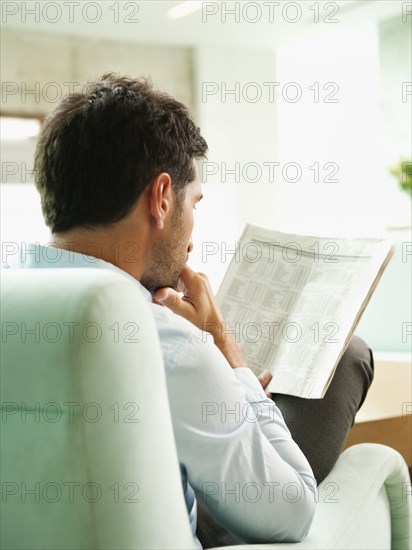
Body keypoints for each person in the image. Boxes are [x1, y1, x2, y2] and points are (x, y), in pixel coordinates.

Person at [5, 74, 374, 548]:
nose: (193, 235)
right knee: (350, 356)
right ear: (161, 198)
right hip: (215, 521)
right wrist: (224, 352)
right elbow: (292, 512)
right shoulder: (166, 342)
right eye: (193, 203)